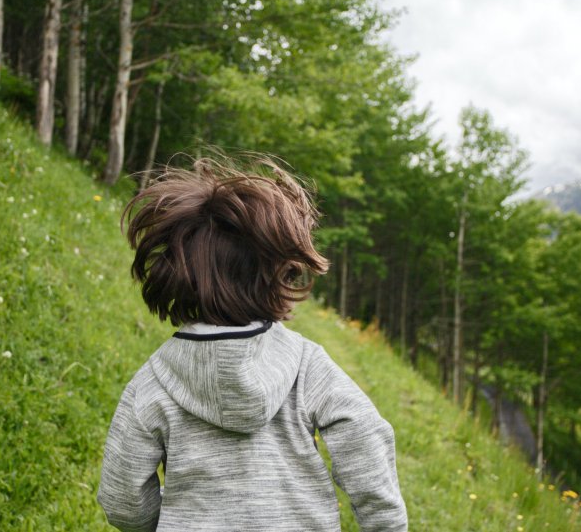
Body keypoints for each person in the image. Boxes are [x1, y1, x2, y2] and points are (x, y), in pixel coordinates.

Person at [97, 157, 407, 532]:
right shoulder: (306, 364)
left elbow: (121, 497)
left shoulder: (154, 381)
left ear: (177, 274)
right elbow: (364, 440)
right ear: (279, 272)